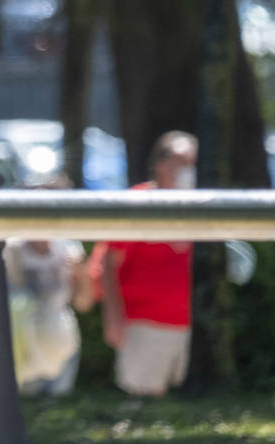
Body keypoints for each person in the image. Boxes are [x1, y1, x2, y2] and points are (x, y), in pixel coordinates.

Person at [94, 130, 198, 397]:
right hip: (144, 324)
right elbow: (108, 262)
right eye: (180, 161)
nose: (187, 170)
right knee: (144, 404)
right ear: (160, 164)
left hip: (189, 324)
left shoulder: (200, 206)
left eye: (192, 162)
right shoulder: (138, 202)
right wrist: (113, 317)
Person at [3, 233, 94, 396]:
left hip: (62, 340)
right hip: (23, 342)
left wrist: (80, 272)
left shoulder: (69, 248)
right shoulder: (11, 249)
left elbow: (83, 303)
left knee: (59, 402)